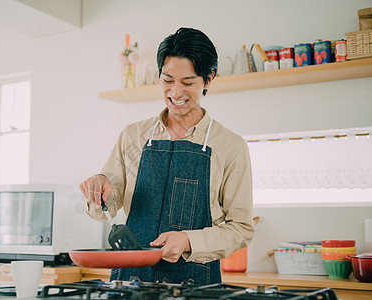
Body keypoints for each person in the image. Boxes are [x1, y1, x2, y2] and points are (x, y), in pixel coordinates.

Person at [79, 27, 254, 285]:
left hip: (194, 284)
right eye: (167, 80)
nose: (175, 92)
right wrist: (98, 190)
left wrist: (188, 241)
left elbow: (241, 228)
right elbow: (105, 207)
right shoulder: (132, 136)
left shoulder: (231, 146)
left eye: (188, 82)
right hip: (130, 282)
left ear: (208, 79)